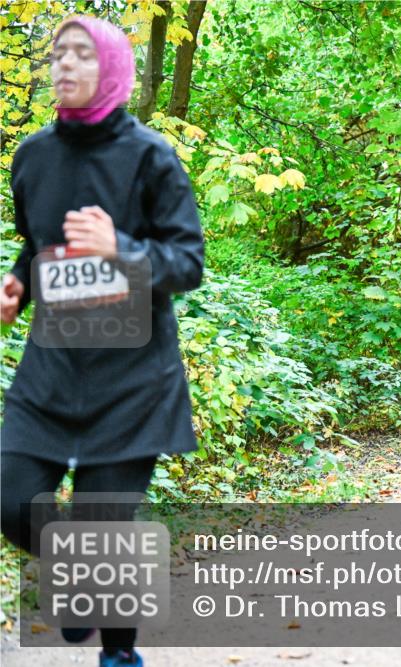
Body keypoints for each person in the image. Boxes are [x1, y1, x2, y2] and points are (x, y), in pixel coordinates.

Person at [0, 16, 204, 667]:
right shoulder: (31, 158)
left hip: (132, 381)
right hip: (50, 374)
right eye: (58, 53)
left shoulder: (151, 157)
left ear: (111, 66)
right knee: (10, 500)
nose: (64, 64)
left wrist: (123, 249)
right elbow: (38, 247)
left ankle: (120, 654)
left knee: (104, 526)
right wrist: (15, 285)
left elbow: (188, 262)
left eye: (81, 54)